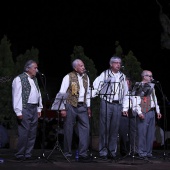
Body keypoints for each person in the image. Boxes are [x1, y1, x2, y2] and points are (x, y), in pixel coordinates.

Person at [92, 56, 129, 160]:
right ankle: (103, 152)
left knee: (114, 129)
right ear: (111, 64)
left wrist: (125, 108)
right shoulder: (104, 74)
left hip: (118, 104)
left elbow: (126, 93)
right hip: (106, 102)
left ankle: (112, 152)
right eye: (116, 63)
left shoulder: (122, 76)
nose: (118, 65)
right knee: (104, 128)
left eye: (119, 63)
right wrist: (92, 95)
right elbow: (96, 86)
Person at [56, 59, 91, 162]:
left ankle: (83, 153)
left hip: (82, 106)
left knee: (86, 127)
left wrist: (88, 107)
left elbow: (87, 93)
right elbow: (62, 92)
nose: (83, 67)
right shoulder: (68, 77)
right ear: (75, 68)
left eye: (83, 65)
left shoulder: (86, 77)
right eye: (81, 66)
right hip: (70, 105)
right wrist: (62, 108)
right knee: (68, 128)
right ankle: (67, 153)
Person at [12, 60, 43, 160]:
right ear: (28, 68)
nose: (36, 70)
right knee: (24, 132)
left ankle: (28, 154)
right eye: (35, 68)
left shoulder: (34, 80)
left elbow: (39, 94)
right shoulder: (19, 79)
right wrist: (18, 111)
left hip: (34, 108)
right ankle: (20, 154)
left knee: (32, 132)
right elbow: (16, 95)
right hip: (25, 107)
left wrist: (39, 108)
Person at [130, 70, 162, 159]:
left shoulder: (152, 86)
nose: (151, 78)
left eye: (151, 76)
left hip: (151, 111)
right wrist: (139, 112)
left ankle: (148, 153)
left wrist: (158, 111)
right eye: (149, 76)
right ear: (144, 76)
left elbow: (154, 99)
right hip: (143, 111)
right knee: (142, 134)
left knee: (150, 134)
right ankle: (141, 153)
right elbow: (134, 100)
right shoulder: (138, 86)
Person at [119, 77, 137, 157]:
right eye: (126, 83)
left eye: (129, 83)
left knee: (132, 133)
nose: (128, 84)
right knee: (123, 133)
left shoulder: (133, 92)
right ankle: (123, 151)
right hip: (123, 114)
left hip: (132, 114)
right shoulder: (121, 92)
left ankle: (132, 150)